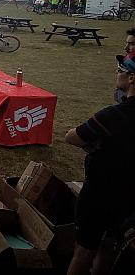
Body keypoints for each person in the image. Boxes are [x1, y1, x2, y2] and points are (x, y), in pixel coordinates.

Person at [64, 52, 135, 275]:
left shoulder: (116, 115)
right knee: (110, 244)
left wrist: (92, 145)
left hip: (100, 192)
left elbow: (72, 137)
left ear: (131, 78)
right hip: (129, 195)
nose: (117, 74)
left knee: (83, 250)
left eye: (120, 71)